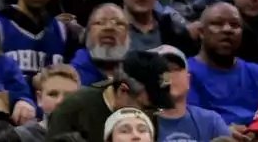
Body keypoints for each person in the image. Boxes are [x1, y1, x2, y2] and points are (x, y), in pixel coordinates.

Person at [46, 51, 174, 142]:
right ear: (123, 91)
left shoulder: (150, 114)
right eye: (146, 107)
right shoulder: (72, 110)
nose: (149, 114)